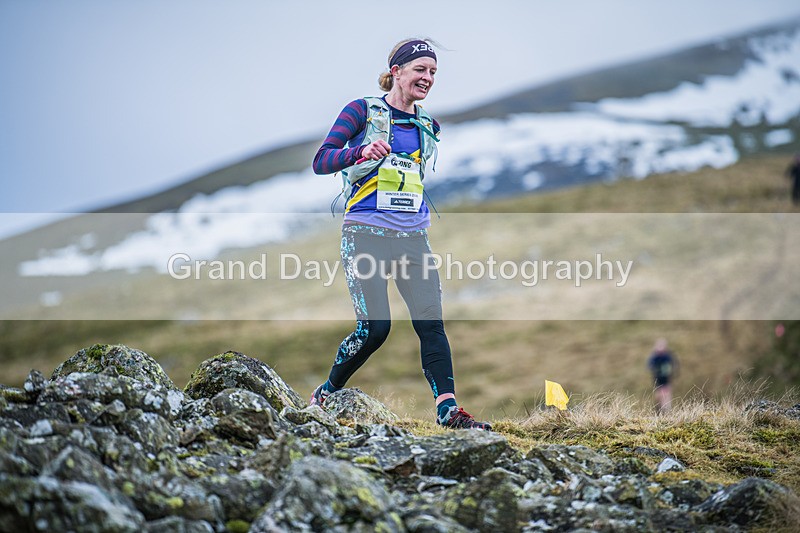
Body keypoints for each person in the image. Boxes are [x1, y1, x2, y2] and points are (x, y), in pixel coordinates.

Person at [309, 38, 491, 430]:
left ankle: (448, 410)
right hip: (365, 233)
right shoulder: (360, 111)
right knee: (375, 330)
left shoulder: (427, 124)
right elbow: (321, 161)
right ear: (396, 71)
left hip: (412, 237)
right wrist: (359, 152)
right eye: (420, 69)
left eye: (433, 72)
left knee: (431, 324)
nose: (428, 78)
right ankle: (326, 393)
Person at [648, 338, 677, 413]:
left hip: (666, 380)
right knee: (659, 397)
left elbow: (674, 366)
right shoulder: (654, 357)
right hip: (657, 381)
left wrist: (670, 373)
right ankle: (659, 411)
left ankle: (667, 412)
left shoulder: (668, 357)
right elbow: (649, 366)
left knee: (666, 396)